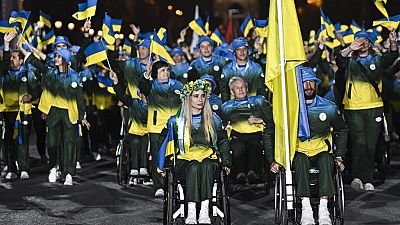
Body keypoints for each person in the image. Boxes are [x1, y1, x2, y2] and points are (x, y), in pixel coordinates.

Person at [268, 67, 348, 225]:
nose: (308, 86)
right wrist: (276, 159)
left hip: (321, 150)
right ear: (298, 85)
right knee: (300, 161)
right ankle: (306, 208)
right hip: (299, 151)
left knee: (327, 160)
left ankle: (324, 208)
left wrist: (339, 155)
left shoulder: (328, 107)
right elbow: (277, 133)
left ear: (316, 85)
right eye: (304, 83)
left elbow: (342, 130)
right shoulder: (289, 110)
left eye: (311, 82)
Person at [160, 79, 231, 224]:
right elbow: (165, 143)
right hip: (184, 160)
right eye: (196, 96)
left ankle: (204, 210)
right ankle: (191, 211)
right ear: (188, 98)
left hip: (208, 159)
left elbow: (223, 140)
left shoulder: (214, 119)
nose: (200, 99)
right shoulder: (176, 121)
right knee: (193, 166)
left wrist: (226, 162)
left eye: (203, 96)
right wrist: (165, 165)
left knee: (205, 165)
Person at [336, 29, 398, 191]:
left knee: (370, 144)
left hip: (374, 107)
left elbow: (391, 57)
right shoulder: (349, 61)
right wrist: (350, 48)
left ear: (369, 43)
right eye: (358, 40)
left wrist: (392, 41)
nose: (361, 43)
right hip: (354, 108)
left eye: (364, 40)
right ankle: (357, 177)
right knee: (359, 143)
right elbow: (339, 59)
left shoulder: (376, 59)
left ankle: (367, 178)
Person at [26, 48, 89, 185]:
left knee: (69, 144)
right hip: (54, 111)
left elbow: (79, 98)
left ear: (65, 60)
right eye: (55, 56)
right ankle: (53, 167)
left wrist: (82, 116)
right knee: (53, 143)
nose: (55, 59)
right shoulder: (50, 74)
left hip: (69, 112)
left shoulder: (74, 76)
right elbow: (40, 67)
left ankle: (68, 174)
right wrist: (27, 53)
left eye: (59, 57)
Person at [139, 60, 183, 197]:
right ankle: (159, 185)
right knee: (158, 155)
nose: (166, 73)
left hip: (176, 125)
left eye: (167, 70)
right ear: (156, 73)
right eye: (162, 70)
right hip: (157, 126)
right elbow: (143, 87)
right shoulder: (152, 86)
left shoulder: (178, 85)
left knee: (176, 154)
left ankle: (176, 182)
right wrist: (146, 74)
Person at [0, 32, 40, 180]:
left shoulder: (27, 73)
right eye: (10, 58)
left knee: (22, 140)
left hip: (23, 111)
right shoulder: (5, 72)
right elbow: (4, 62)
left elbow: (36, 89)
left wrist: (31, 96)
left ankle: (23, 168)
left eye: (15, 58)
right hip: (8, 111)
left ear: (22, 61)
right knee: (9, 141)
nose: (11, 60)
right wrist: (6, 44)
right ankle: (11, 168)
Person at [221, 77, 274, 184]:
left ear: (247, 88)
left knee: (254, 145)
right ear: (232, 91)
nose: (240, 90)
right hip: (236, 135)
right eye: (237, 88)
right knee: (237, 146)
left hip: (256, 134)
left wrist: (260, 119)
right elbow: (221, 125)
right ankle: (240, 173)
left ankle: (253, 172)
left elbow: (272, 119)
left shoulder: (258, 101)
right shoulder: (226, 106)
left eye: (243, 87)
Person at [220, 37, 267, 102]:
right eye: (238, 49)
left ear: (248, 50)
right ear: (234, 53)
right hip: (234, 107)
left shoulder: (256, 67)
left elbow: (261, 90)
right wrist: (228, 107)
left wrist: (260, 105)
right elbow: (224, 91)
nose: (242, 52)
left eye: (244, 49)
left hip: (253, 106)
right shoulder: (227, 69)